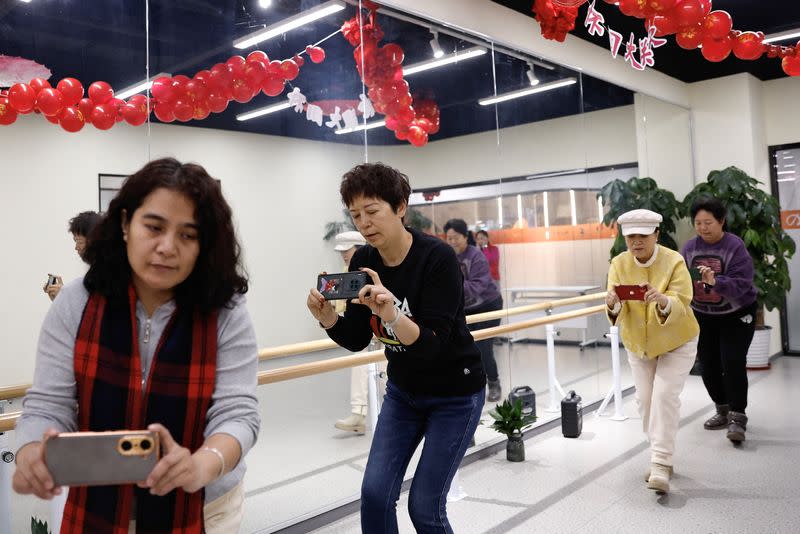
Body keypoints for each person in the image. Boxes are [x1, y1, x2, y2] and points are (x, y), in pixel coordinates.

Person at [13, 158, 260, 533]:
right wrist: (32, 450)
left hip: (206, 505)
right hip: (96, 501)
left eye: (188, 235)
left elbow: (238, 414)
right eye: (154, 226)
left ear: (203, 245)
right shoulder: (78, 301)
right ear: (126, 224)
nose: (167, 247)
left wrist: (202, 463)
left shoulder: (225, 311)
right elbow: (50, 402)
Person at [306, 162, 485, 533]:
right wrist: (326, 318)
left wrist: (391, 315)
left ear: (401, 206)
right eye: (355, 215)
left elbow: (433, 345)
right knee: (374, 496)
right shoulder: (363, 259)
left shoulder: (437, 258)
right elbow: (356, 338)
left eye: (372, 211)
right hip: (404, 393)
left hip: (454, 395)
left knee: (425, 507)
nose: (364, 223)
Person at [605, 209, 699, 495]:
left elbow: (683, 302)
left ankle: (659, 462)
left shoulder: (673, 261)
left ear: (656, 234)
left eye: (643, 236)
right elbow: (615, 306)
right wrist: (611, 304)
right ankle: (662, 456)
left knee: (663, 396)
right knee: (645, 401)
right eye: (631, 237)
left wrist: (663, 301)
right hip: (639, 344)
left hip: (677, 341)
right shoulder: (619, 263)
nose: (636, 242)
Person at [682, 197, 757, 444]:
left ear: (722, 221)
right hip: (704, 316)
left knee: (733, 362)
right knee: (708, 365)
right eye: (698, 222)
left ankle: (738, 417)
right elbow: (680, 278)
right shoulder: (690, 248)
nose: (703, 227)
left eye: (708, 222)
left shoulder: (734, 247)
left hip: (736, 315)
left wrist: (716, 281)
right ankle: (722, 409)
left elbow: (742, 284)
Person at [444, 218, 504, 402]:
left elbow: (477, 286)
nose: (452, 241)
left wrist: (451, 289)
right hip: (467, 309)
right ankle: (470, 385)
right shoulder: (449, 257)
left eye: (456, 237)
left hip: (488, 306)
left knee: (483, 348)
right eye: (449, 238)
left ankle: (493, 384)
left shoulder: (476, 256)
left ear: (465, 236)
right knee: (462, 348)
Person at [331, 230, 375, 434]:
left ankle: (370, 413)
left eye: (347, 250)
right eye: (341, 252)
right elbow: (346, 307)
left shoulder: (372, 265)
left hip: (382, 324)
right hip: (363, 328)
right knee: (362, 364)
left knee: (382, 369)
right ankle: (359, 412)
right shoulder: (347, 269)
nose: (344, 255)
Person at [44, 210, 103, 301]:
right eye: (75, 242)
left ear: (93, 241)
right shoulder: (93, 275)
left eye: (79, 242)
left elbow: (93, 311)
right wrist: (60, 299)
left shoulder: (106, 277)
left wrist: (66, 296)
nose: (76, 247)